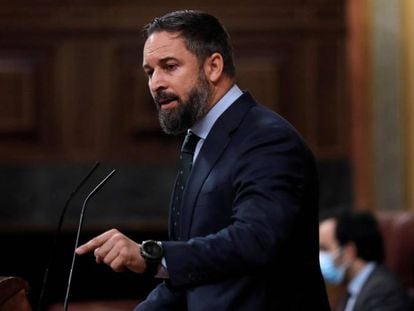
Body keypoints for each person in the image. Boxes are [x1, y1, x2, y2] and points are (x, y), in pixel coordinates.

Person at [76, 10, 330, 310]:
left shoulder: (267, 139)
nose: (156, 83)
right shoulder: (199, 143)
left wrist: (152, 254)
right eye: (149, 72)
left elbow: (256, 240)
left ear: (213, 66)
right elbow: (190, 279)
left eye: (169, 66)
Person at [319, 210, 409, 311]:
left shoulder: (382, 291)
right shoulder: (353, 290)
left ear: (349, 252)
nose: (320, 256)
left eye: (324, 249)